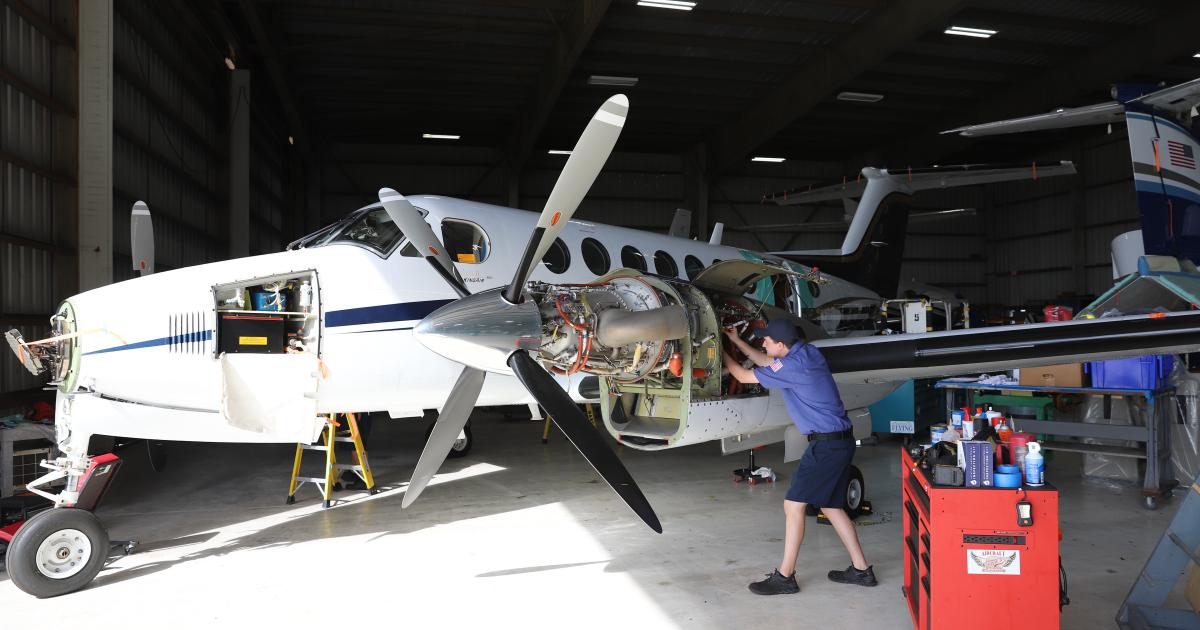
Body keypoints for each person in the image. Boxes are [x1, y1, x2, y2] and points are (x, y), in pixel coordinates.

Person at [722, 318, 876, 595]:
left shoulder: (793, 365)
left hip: (826, 447)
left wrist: (719, 351)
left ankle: (785, 577)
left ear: (781, 344)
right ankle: (862, 570)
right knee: (831, 507)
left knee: (794, 506)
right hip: (839, 441)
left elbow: (744, 376)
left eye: (767, 340)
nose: (763, 342)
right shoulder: (805, 352)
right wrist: (736, 342)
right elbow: (769, 362)